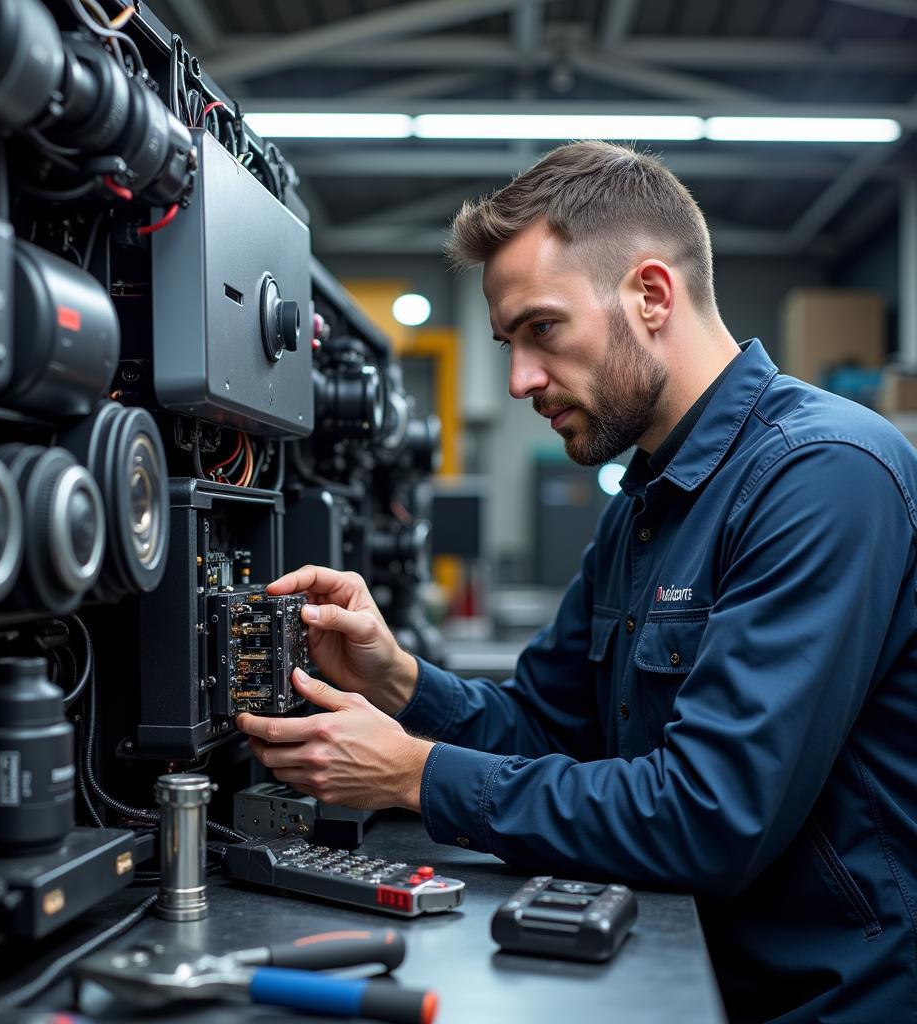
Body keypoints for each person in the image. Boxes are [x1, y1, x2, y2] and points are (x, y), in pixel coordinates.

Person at [237, 141, 917, 1023]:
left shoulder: (822, 473)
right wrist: (397, 679)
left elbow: (709, 815)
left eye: (542, 329)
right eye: (507, 342)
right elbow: (552, 728)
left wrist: (416, 776)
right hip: (690, 962)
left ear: (651, 294)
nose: (519, 378)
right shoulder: (645, 503)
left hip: (822, 999)